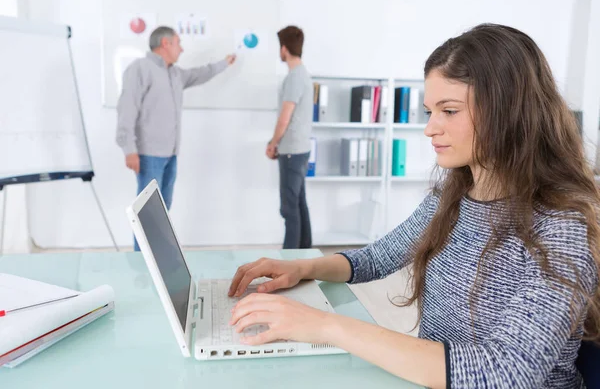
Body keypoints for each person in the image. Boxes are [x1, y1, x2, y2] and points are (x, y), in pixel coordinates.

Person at [227, 23, 600, 388]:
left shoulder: (561, 227)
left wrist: (324, 326)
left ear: (507, 111)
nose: (430, 128)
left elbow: (505, 373)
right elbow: (372, 260)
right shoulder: (452, 199)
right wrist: (302, 267)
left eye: (449, 111)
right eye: (429, 112)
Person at [116, 26, 236, 251]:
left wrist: (224, 63)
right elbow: (126, 110)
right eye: (178, 43)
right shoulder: (140, 69)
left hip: (171, 154)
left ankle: (156, 260)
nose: (182, 48)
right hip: (148, 155)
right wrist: (129, 149)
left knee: (162, 211)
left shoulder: (175, 74)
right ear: (165, 44)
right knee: (147, 215)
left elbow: (201, 73)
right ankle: (141, 262)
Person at [267, 25, 313, 249]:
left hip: (291, 151)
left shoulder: (295, 77)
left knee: (289, 209)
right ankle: (305, 255)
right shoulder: (303, 74)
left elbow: (284, 118)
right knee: (299, 203)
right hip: (300, 149)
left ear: (284, 48)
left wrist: (273, 143)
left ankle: (290, 261)